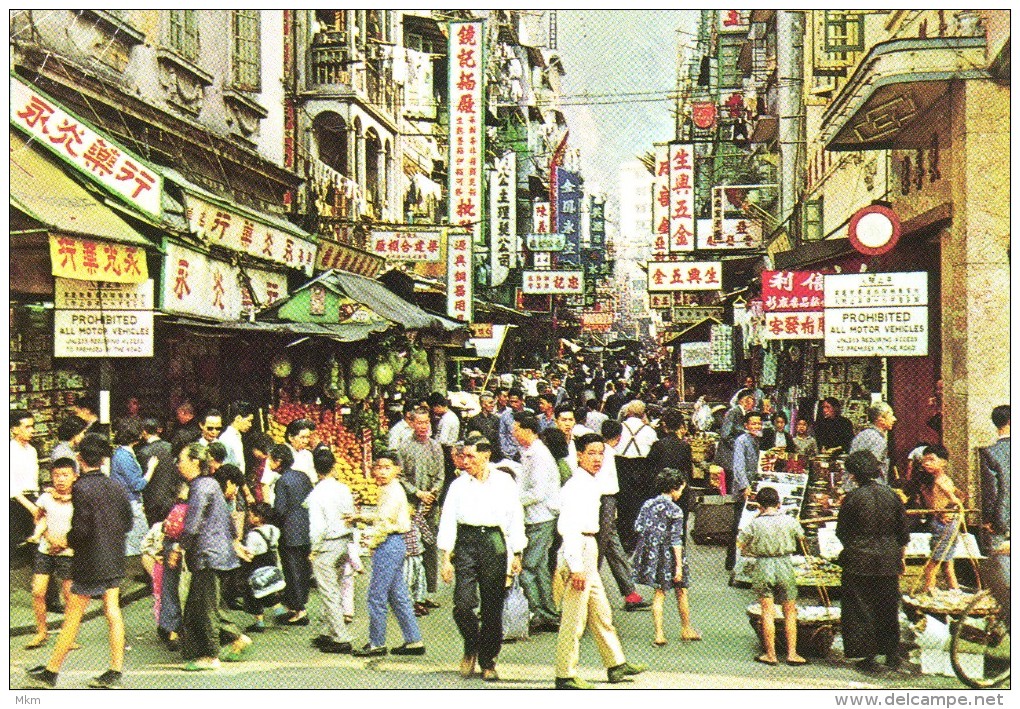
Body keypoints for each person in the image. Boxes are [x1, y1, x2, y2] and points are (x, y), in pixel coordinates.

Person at [26, 434, 133, 689]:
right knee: (113, 612)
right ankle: (115, 671)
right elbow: (128, 522)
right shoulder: (117, 486)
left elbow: (81, 530)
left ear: (80, 458)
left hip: (89, 561)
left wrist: (65, 541)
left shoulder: (82, 488)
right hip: (114, 558)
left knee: (73, 614)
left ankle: (51, 672)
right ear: (104, 458)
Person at [554, 433, 646, 689]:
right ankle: (565, 673)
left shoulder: (593, 483)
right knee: (574, 618)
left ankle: (615, 663)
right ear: (579, 455)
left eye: (600, 453)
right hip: (578, 549)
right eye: (591, 453)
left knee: (602, 612)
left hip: (589, 547)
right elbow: (569, 527)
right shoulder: (575, 486)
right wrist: (576, 567)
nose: (597, 458)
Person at [437, 439, 526, 681]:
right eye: (463, 457)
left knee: (492, 605)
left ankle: (488, 659)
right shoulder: (457, 486)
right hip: (466, 541)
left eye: (471, 457)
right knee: (463, 603)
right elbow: (448, 521)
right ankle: (471, 644)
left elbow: (515, 516)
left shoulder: (504, 482)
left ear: (485, 456)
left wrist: (517, 552)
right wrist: (446, 558)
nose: (465, 462)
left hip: (494, 542)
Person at [177, 442, 253, 671]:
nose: (178, 464)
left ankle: (210, 655)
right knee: (205, 604)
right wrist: (235, 543)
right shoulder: (209, 485)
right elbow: (226, 519)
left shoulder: (201, 487)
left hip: (208, 554)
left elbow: (193, 522)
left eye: (181, 460)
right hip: (216, 553)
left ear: (195, 462)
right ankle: (236, 638)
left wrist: (180, 547)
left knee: (205, 607)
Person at [836, 450, 911, 674]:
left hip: (859, 559)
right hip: (889, 558)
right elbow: (903, 532)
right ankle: (891, 653)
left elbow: (842, 531)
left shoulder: (853, 498)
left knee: (860, 607)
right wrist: (900, 555)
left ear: (854, 474)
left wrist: (854, 545)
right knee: (888, 607)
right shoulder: (892, 496)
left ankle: (867, 655)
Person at [349, 451, 426, 657]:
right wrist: (361, 517)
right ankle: (413, 640)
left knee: (376, 596)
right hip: (394, 543)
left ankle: (377, 643)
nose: (382, 472)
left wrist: (370, 539)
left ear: (397, 470)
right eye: (379, 467)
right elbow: (383, 517)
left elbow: (384, 523)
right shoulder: (390, 489)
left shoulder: (392, 491)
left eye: (387, 467)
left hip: (389, 543)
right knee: (398, 595)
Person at [737, 485, 807, 666]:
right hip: (784, 564)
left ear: (759, 505)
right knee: (789, 611)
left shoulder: (755, 523)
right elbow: (801, 537)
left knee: (767, 611)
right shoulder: (789, 520)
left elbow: (740, 544)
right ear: (779, 503)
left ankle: (770, 654)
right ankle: (792, 653)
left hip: (763, 565)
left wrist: (752, 550)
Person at [631, 467, 701, 647]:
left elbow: (638, 527)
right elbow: (676, 540)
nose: (681, 493)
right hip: (670, 555)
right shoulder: (676, 511)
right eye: (681, 489)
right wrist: (678, 566)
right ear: (674, 488)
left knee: (659, 593)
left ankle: (659, 634)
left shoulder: (647, 504)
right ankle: (686, 628)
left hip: (653, 554)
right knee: (681, 590)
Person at [512, 412, 562, 633]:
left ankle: (538, 612)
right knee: (540, 566)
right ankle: (548, 613)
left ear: (528, 431)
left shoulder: (539, 455)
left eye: (516, 429)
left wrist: (513, 501)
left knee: (529, 567)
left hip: (540, 516)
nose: (513, 433)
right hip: (536, 516)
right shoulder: (530, 453)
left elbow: (538, 492)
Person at [306, 447, 356, 654]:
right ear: (334, 466)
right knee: (334, 586)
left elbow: (318, 527)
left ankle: (339, 636)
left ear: (315, 470)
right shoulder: (343, 489)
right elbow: (350, 514)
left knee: (329, 592)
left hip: (326, 545)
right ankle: (327, 631)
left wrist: (314, 549)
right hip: (343, 541)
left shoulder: (316, 495)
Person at [24, 458, 77, 651]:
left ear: (74, 476)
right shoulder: (46, 498)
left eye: (65, 475)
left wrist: (64, 543)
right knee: (38, 591)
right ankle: (41, 632)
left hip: (68, 551)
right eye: (56, 475)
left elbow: (83, 526)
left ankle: (68, 636)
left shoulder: (79, 498)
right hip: (46, 549)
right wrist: (47, 537)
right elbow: (39, 519)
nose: (60, 479)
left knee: (70, 596)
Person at [398, 409, 446, 609]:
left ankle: (426, 592)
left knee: (430, 548)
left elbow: (441, 475)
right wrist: (417, 493)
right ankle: (413, 596)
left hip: (430, 506)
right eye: (419, 423)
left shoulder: (435, 447)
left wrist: (432, 496)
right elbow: (400, 476)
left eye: (427, 422)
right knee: (413, 551)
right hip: (411, 505)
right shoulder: (404, 447)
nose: (423, 426)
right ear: (412, 424)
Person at [270, 443, 313, 626]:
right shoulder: (302, 476)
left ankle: (299, 609)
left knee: (292, 570)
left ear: (278, 461)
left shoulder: (282, 481)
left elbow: (279, 509)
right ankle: (300, 602)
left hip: (289, 531)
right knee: (303, 569)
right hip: (306, 527)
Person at [916, 445, 965, 593]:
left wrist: (950, 511)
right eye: (924, 461)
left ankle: (928, 590)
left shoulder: (942, 481)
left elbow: (957, 498)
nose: (927, 463)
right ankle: (954, 588)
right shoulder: (929, 481)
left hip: (945, 523)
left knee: (934, 562)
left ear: (943, 462)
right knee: (947, 560)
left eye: (931, 460)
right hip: (938, 521)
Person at [646, 409, 695, 544]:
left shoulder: (658, 445)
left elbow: (650, 467)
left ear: (664, 425)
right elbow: (688, 469)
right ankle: (678, 554)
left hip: (661, 489)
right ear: (680, 426)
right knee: (679, 523)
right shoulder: (685, 446)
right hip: (679, 488)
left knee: (660, 522)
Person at [978, 405, 1010, 606]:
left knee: (1004, 573)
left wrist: (990, 519)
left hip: (1002, 521)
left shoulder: (990, 453)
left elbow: (991, 492)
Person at [237, 503, 282, 636]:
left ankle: (259, 622)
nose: (249, 518)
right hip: (270, 560)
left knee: (254, 592)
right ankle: (279, 610)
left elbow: (250, 554)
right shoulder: (274, 529)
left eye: (251, 515)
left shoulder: (253, 535)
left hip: (256, 564)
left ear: (258, 518)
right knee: (269, 587)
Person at [728, 410, 764, 573]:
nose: (756, 426)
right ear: (746, 425)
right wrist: (744, 486)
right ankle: (733, 561)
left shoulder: (758, 440)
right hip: (744, 489)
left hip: (754, 487)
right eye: (753, 423)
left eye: (759, 423)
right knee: (738, 525)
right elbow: (738, 466)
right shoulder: (741, 441)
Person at [109, 419, 149, 558]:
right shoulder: (124, 456)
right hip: (130, 502)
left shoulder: (122, 453)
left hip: (126, 501)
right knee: (140, 543)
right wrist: (151, 470)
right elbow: (137, 484)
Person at [137, 417, 179, 527]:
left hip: (151, 500)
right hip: (170, 497)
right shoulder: (171, 448)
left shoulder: (143, 452)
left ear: (144, 432)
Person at [713, 389, 756, 494]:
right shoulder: (733, 412)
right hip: (728, 455)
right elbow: (725, 434)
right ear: (743, 401)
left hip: (734, 455)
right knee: (730, 482)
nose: (753, 405)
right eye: (752, 401)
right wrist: (738, 446)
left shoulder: (743, 414)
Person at [11, 409, 40, 557]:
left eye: (32, 426)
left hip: (32, 500)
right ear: (14, 429)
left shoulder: (32, 451)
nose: (32, 431)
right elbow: (11, 486)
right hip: (16, 504)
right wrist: (30, 507)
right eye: (27, 427)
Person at [848, 402, 896, 484]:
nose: (894, 419)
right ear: (881, 420)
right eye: (891, 416)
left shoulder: (862, 434)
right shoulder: (878, 440)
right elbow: (871, 469)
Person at [465, 392, 503, 462]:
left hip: (495, 455)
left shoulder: (496, 419)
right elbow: (470, 440)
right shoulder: (474, 420)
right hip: (480, 454)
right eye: (490, 403)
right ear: (483, 404)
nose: (493, 405)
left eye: (493, 403)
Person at [219, 401, 254, 477]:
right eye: (249, 420)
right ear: (238, 418)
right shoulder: (227, 438)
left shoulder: (236, 436)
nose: (250, 425)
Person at [498, 388, 528, 462]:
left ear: (521, 400)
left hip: (526, 452)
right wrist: (506, 450)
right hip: (510, 454)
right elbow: (502, 434)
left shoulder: (529, 414)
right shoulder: (505, 415)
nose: (513, 405)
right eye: (511, 402)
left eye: (515, 402)